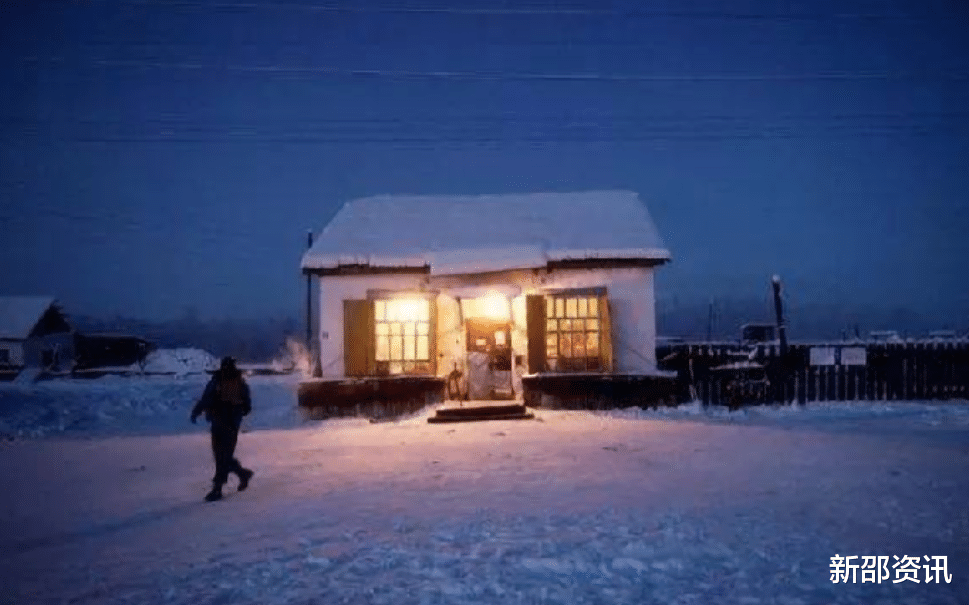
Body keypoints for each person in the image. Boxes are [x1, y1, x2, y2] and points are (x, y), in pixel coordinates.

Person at [191, 356, 254, 502]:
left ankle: (218, 488)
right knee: (223, 456)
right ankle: (242, 474)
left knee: (221, 457)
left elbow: (206, 398)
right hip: (230, 423)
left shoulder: (218, 380)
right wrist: (239, 410)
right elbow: (247, 405)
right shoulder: (239, 382)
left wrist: (197, 411)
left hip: (220, 422)